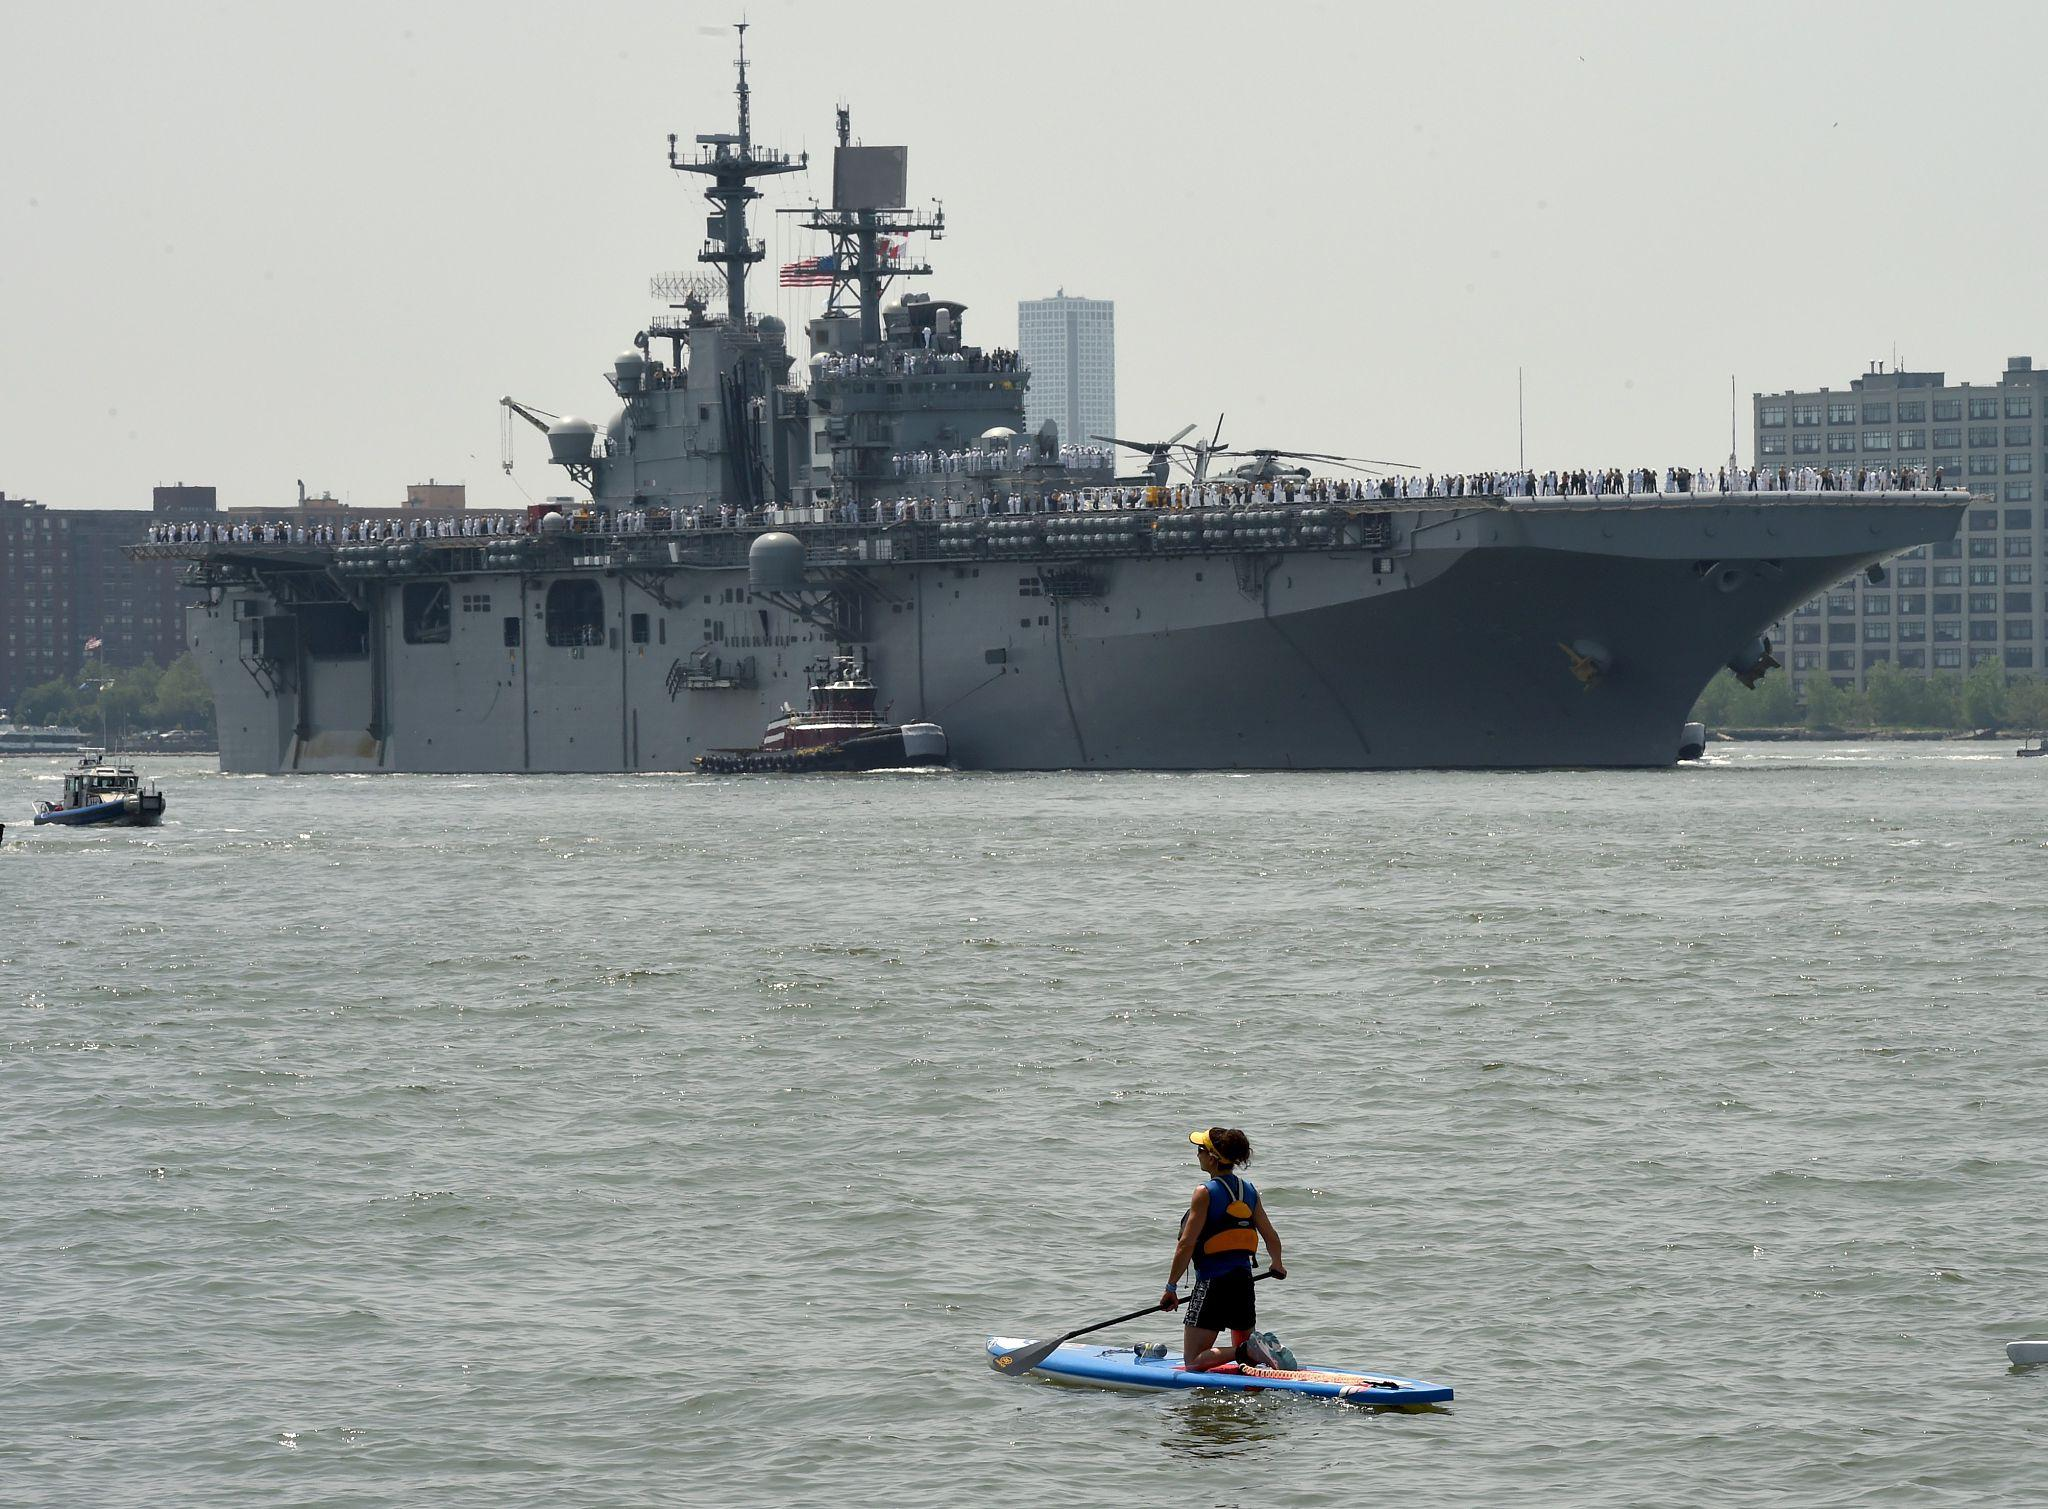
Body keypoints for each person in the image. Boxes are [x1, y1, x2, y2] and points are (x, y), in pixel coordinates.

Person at [1160, 1127, 1286, 1371]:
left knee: (1193, 1362)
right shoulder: (1249, 1190)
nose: (1197, 1155)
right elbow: (1270, 1235)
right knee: (1247, 1361)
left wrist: (1171, 1288)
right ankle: (1253, 1351)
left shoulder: (1204, 1193)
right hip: (1243, 1283)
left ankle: (1249, 1350)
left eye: (1200, 1150)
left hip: (1212, 1284)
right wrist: (1277, 1263)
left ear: (1212, 1157)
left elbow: (1186, 1244)